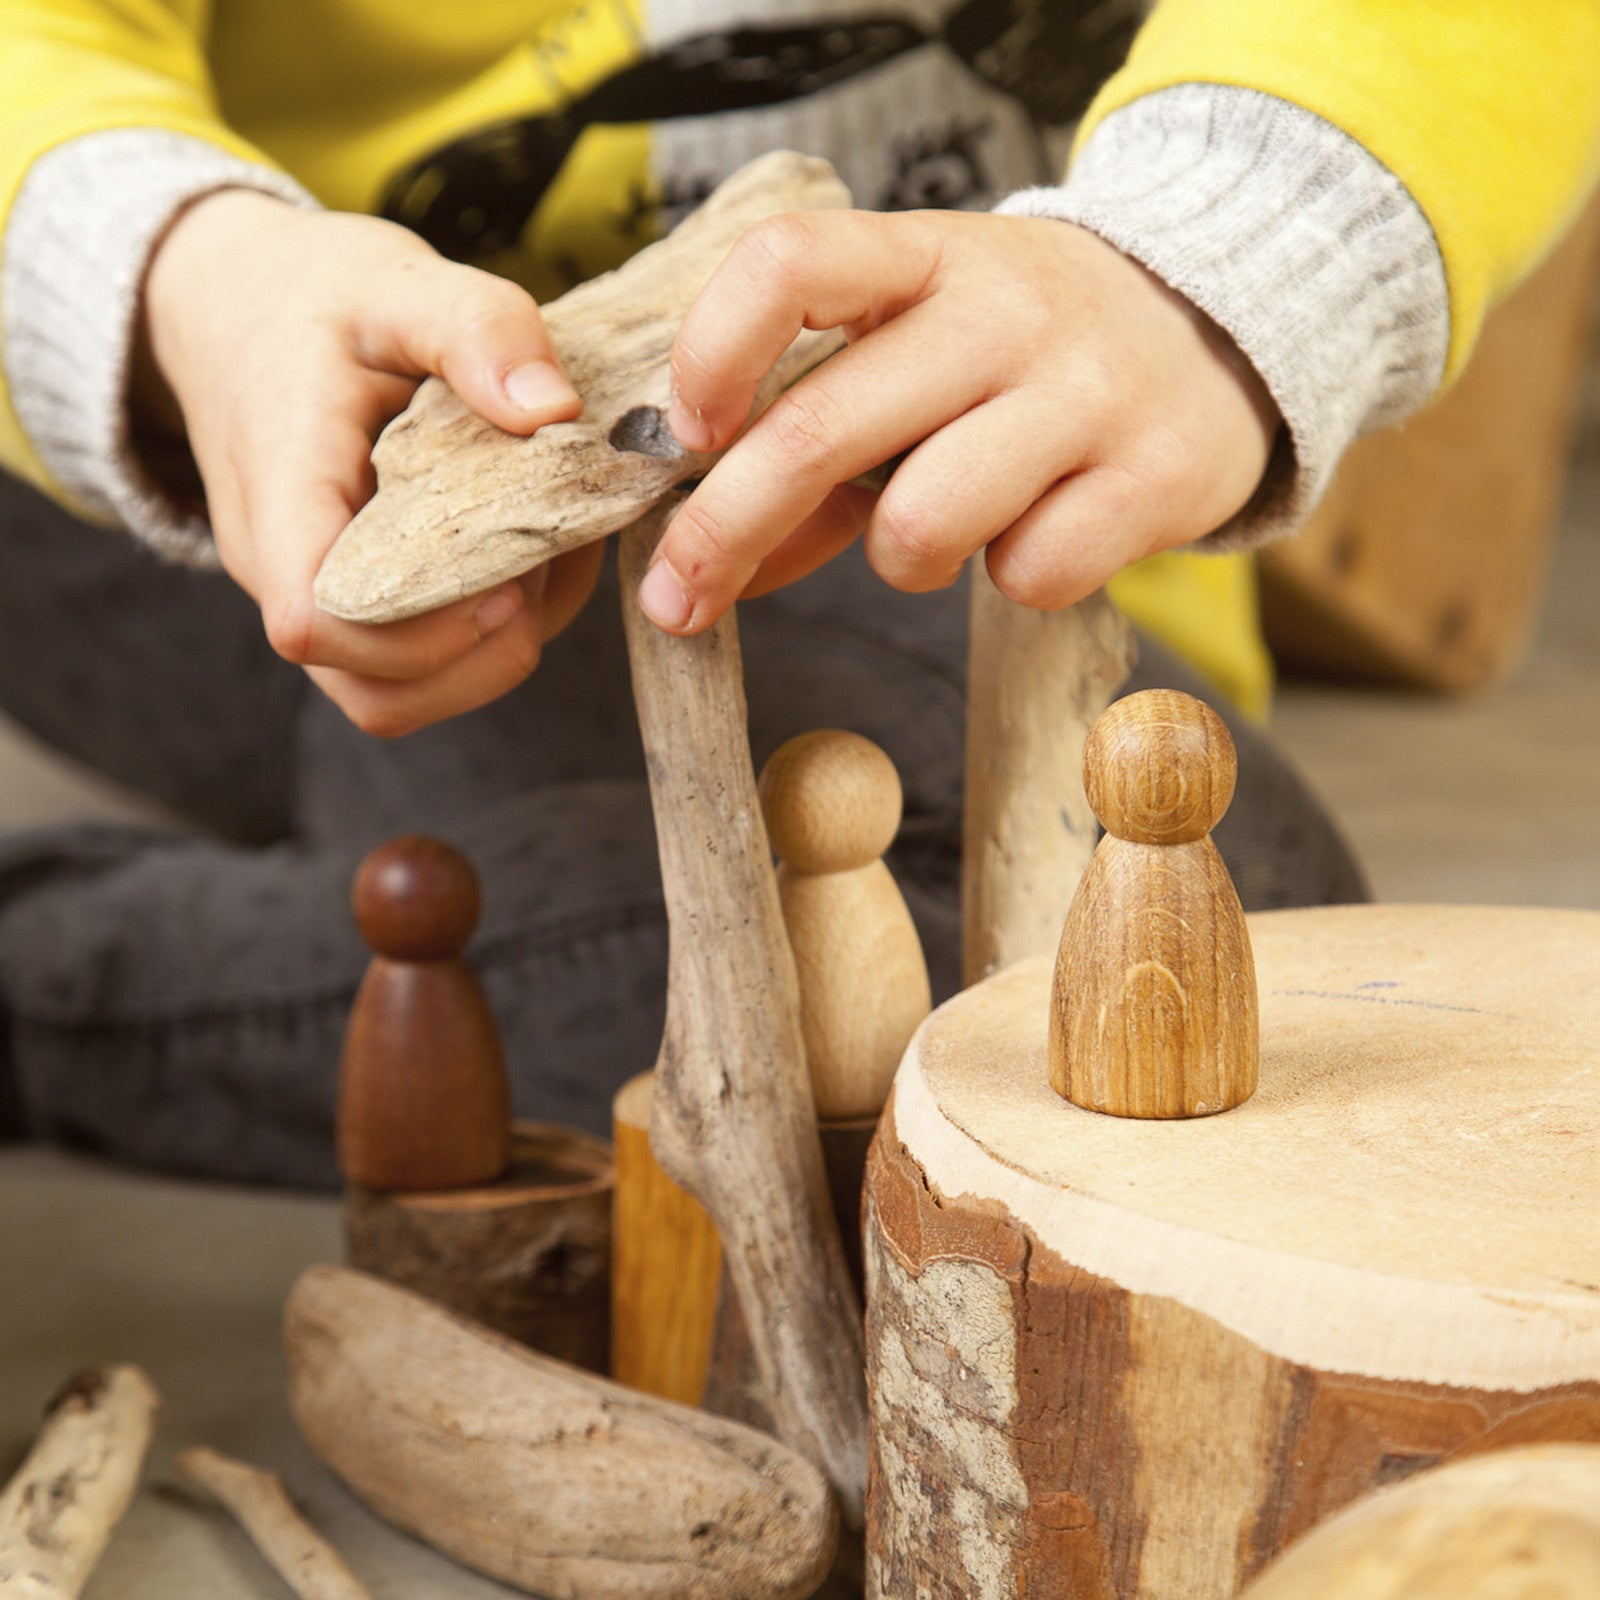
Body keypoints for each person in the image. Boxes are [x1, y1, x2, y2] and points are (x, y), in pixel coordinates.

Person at [0, 1, 1594, 1184]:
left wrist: (1222, 253)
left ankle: (307, 916)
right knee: (978, 1029)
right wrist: (163, 268)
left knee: (1202, 971)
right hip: (181, 430)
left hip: (952, 517)